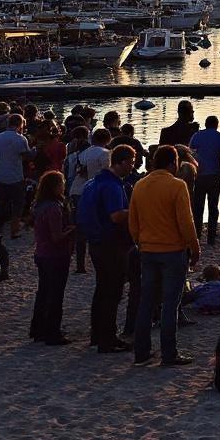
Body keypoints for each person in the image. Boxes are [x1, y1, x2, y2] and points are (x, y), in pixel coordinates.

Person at [128, 145, 200, 367]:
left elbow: (133, 220)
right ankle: (169, 353)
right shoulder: (177, 186)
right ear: (172, 163)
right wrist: (194, 247)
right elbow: (186, 222)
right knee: (170, 303)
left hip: (148, 250)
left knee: (146, 302)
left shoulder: (140, 185)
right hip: (172, 250)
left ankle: (141, 352)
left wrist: (140, 241)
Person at [79, 144, 136, 354]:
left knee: (102, 289)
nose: (133, 166)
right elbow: (115, 216)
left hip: (95, 242)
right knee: (112, 291)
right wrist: (135, 210)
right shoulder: (112, 186)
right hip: (110, 243)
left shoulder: (92, 183)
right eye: (130, 162)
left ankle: (98, 334)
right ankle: (107, 339)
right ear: (120, 162)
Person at [28, 170, 75, 346]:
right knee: (55, 294)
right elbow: (57, 236)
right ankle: (52, 332)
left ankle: (38, 328)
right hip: (55, 255)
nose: (64, 187)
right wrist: (72, 230)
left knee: (43, 292)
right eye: (62, 183)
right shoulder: (54, 208)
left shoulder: (39, 206)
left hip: (42, 253)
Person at [0, 114, 32, 239]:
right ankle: (14, 230)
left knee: (2, 202)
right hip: (15, 176)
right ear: (20, 125)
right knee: (17, 203)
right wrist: (35, 150)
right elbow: (27, 156)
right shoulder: (21, 139)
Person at [188, 115, 220, 244]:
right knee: (213, 206)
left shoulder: (197, 136)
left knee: (198, 207)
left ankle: (197, 235)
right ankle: (211, 237)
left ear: (206, 124)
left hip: (200, 175)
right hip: (214, 176)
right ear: (216, 125)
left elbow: (190, 153)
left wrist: (194, 169)